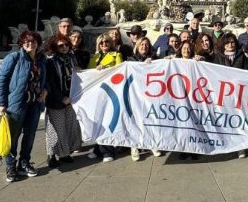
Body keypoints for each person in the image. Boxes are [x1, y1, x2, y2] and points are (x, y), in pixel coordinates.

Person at [0, 31, 47, 182]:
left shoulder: (41, 59)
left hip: (35, 104)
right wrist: (1, 102)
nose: (30, 44)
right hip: (17, 103)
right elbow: (1, 79)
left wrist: (45, 91)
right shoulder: (14, 58)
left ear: (38, 42)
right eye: (26, 41)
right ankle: (11, 166)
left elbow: (45, 79)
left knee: (30, 136)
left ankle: (24, 163)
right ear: (22, 44)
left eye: (33, 41)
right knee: (13, 136)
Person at [45, 36, 82, 168]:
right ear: (55, 47)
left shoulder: (72, 58)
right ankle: (51, 155)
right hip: (56, 100)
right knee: (55, 129)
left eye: (66, 45)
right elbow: (50, 83)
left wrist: (78, 71)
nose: (64, 47)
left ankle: (64, 154)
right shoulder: (50, 61)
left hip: (71, 98)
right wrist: (61, 97)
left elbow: (77, 77)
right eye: (61, 45)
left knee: (68, 126)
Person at [87, 34, 123, 162]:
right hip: (97, 92)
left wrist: (105, 68)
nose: (104, 44)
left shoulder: (116, 55)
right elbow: (89, 72)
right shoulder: (95, 56)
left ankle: (108, 151)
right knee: (97, 120)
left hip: (110, 91)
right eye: (101, 42)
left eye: (106, 42)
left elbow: (119, 71)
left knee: (106, 120)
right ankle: (98, 149)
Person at [213, 33, 248, 158]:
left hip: (238, 93)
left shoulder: (241, 56)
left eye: (232, 42)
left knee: (239, 119)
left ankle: (241, 147)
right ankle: (226, 144)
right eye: (227, 42)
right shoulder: (218, 56)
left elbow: (247, 72)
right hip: (224, 94)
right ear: (223, 44)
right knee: (225, 119)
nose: (230, 45)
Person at [128, 37, 162, 161]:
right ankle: (134, 146)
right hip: (135, 94)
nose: (144, 47)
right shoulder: (131, 59)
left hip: (150, 95)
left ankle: (151, 143)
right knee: (135, 120)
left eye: (146, 45)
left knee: (150, 119)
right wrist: (143, 65)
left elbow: (163, 67)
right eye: (142, 44)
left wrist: (167, 61)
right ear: (137, 46)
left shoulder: (155, 59)